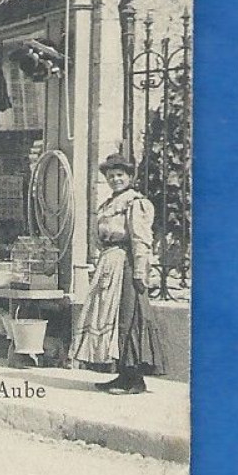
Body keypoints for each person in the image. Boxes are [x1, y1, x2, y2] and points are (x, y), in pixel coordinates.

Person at [73, 154, 170, 394]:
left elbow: (140, 240)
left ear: (129, 177)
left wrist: (139, 272)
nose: (115, 179)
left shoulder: (134, 203)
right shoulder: (108, 205)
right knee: (112, 320)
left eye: (120, 175)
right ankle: (121, 375)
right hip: (110, 265)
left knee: (129, 318)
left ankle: (135, 378)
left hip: (126, 267)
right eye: (111, 176)